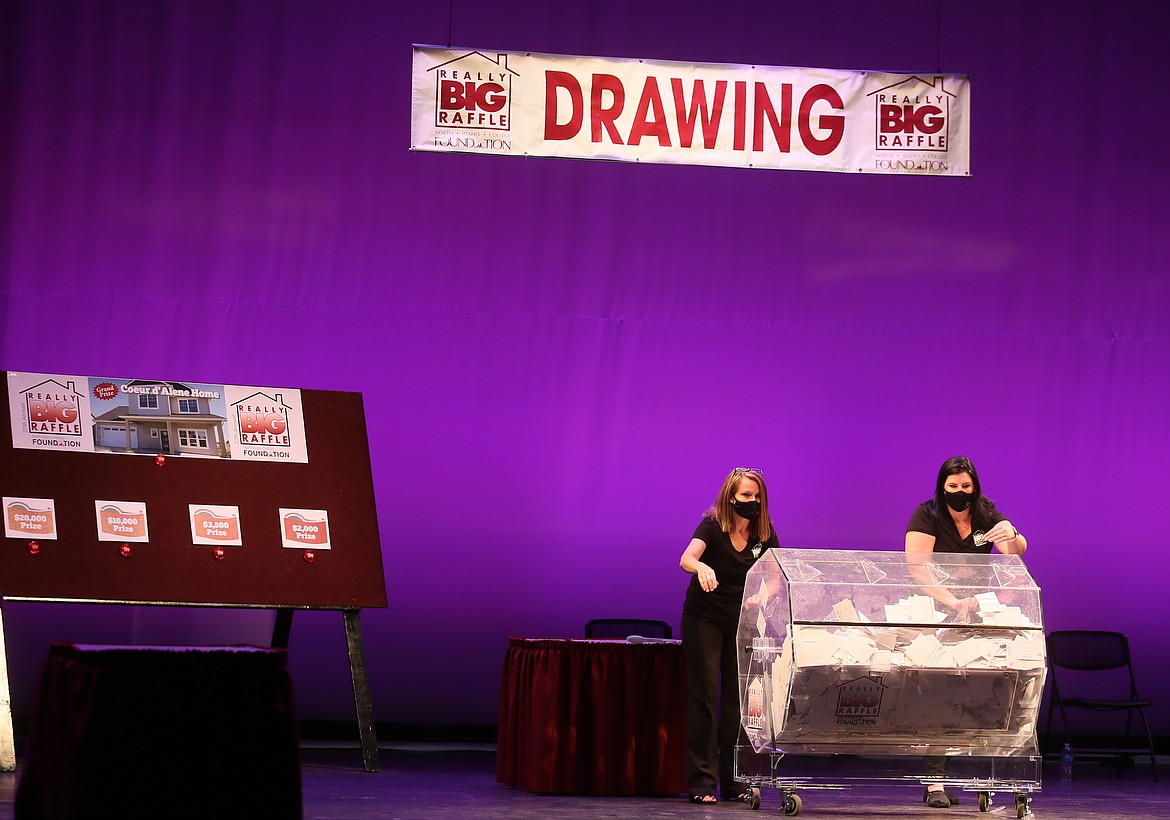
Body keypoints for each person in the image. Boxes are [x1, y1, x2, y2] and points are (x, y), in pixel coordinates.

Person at [905, 455, 1028, 809]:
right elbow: (917, 569)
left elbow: (1013, 551)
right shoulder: (926, 514)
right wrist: (951, 601)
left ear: (975, 488)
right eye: (953, 487)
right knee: (939, 692)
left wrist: (1014, 535)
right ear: (942, 486)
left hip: (975, 611)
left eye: (966, 487)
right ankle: (934, 783)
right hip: (934, 611)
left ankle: (985, 775)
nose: (959, 493)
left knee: (978, 689)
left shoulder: (984, 511)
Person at [679, 467, 779, 805]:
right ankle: (702, 783)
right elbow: (687, 557)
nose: (751, 501)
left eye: (756, 496)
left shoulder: (764, 532)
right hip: (704, 620)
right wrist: (703, 567)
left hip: (743, 623)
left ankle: (736, 782)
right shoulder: (713, 526)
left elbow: (775, 575)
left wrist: (763, 595)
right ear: (730, 497)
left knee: (739, 704)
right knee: (705, 697)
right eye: (745, 495)